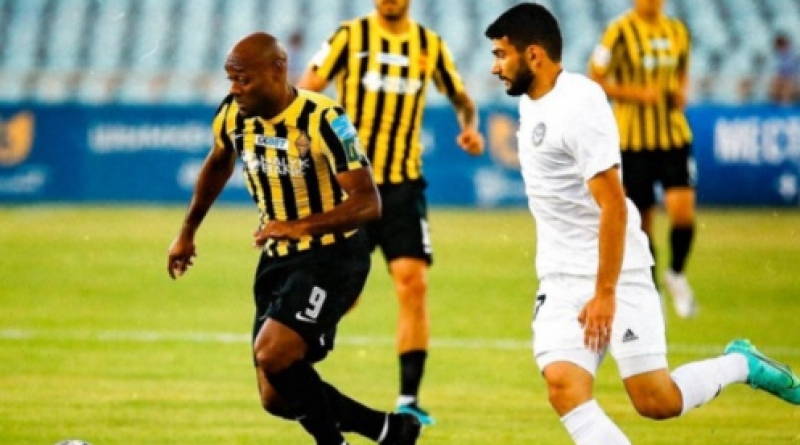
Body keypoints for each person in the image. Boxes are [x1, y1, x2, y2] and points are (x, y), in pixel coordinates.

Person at [484, 3, 800, 444]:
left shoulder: (579, 104)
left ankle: (741, 364)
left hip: (617, 272)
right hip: (559, 275)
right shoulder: (531, 102)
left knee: (656, 400)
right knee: (563, 387)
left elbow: (614, 205)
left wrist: (605, 292)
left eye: (502, 55)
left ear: (533, 55)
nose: (495, 67)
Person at [167, 32, 421, 445]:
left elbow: (368, 203)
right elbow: (217, 164)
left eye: (243, 79)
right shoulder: (232, 116)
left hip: (333, 255)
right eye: (231, 79)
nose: (235, 88)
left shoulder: (324, 119)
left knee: (274, 353)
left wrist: (301, 226)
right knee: (275, 395)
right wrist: (187, 232)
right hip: (277, 258)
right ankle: (387, 429)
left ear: (277, 70)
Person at [296, 0, 484, 425]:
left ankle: (409, 399)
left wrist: (469, 127)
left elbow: (462, 99)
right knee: (345, 291)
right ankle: (299, 355)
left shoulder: (429, 45)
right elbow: (307, 89)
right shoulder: (349, 37)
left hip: (402, 187)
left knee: (412, 283)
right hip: (351, 187)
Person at [587, 0, 697, 318]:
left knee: (683, 213)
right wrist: (635, 94)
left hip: (673, 136)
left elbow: (683, 71)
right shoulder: (618, 32)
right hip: (632, 143)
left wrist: (681, 92)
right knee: (642, 222)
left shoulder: (677, 31)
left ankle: (676, 273)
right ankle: (652, 289)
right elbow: (595, 79)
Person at [768, 32, 800, 106]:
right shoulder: (776, 57)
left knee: (788, 84)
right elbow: (776, 72)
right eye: (780, 46)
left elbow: (795, 72)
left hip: (793, 80)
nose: (782, 48)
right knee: (774, 83)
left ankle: (786, 102)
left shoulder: (794, 55)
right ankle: (778, 102)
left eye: (783, 45)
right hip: (782, 79)